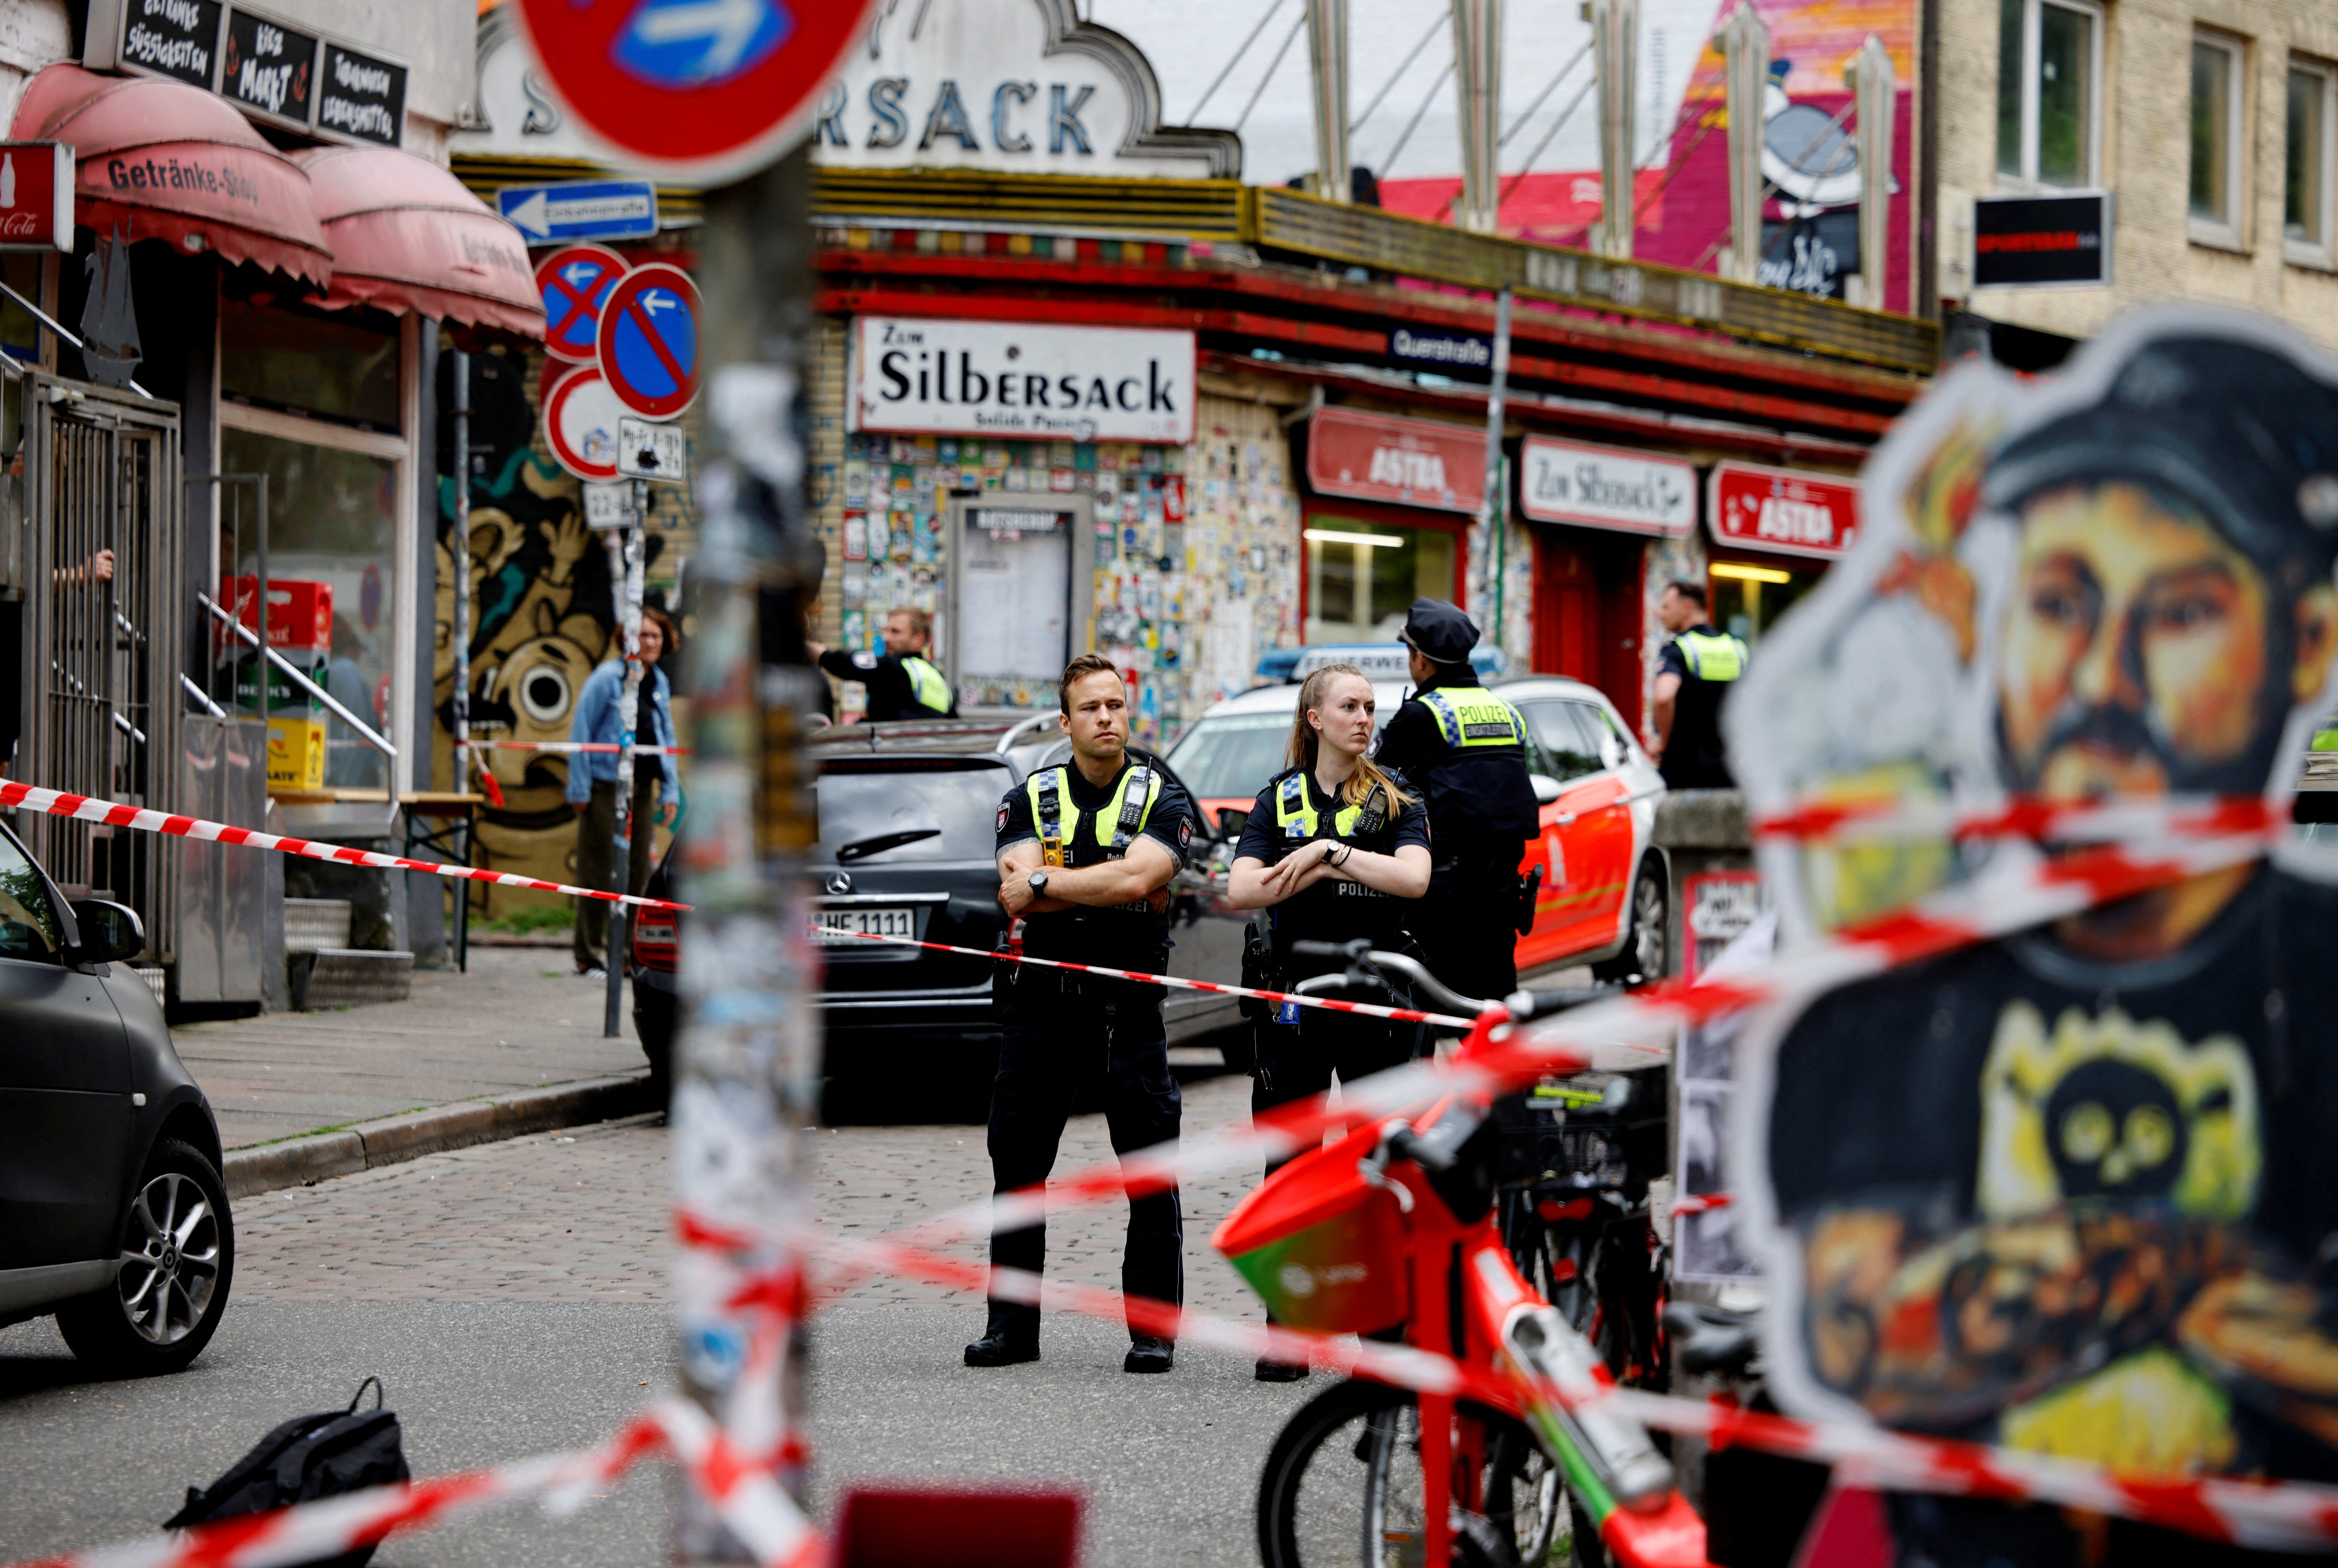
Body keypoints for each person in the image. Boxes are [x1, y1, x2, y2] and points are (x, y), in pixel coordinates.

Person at [1757, 322, 2338, 1564]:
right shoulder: (1896, 1004)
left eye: (2178, 609)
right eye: (2063, 602)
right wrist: (2192, 1276)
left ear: (2309, 640)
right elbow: (1861, 1330)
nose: (2101, 677)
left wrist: (2029, 1274)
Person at [970, 654, 1194, 1375]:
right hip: (1042, 1006)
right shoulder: (1030, 795)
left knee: (1150, 1172)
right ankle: (1011, 1328)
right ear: (1066, 723)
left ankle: (1153, 1332)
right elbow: (1017, 895)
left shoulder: (1162, 792)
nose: (1107, 718)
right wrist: (1096, 885)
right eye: (1091, 708)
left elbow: (1143, 874)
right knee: (1017, 1170)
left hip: (1129, 1009)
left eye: (1116, 705)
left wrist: (1051, 882)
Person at [1226, 662, 1431, 1380]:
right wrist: (1311, 864)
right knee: (1291, 1169)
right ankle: (1289, 1332)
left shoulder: (1398, 799)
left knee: (1379, 1167)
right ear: (1314, 717)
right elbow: (1241, 886)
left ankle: (1384, 1338)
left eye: (1371, 707)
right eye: (1350, 706)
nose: (1364, 718)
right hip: (1292, 1003)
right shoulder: (1277, 799)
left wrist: (1327, 852)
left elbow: (1413, 878)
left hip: (1375, 1006)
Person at [1372, 597, 1540, 1007]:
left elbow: (1375, 791)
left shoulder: (1421, 715)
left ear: (1422, 660)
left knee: (1420, 1017)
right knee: (1492, 1017)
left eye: (1409, 653)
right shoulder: (1507, 712)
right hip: (1499, 895)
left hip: (1438, 899)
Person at [565, 608, 680, 980]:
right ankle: (588, 955)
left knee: (637, 877)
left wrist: (671, 788)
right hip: (604, 786)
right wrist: (580, 787)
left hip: (642, 788)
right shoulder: (607, 678)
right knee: (597, 871)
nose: (649, 643)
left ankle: (631, 957)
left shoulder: (658, 680)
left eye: (655, 637)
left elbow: (666, 738)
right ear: (626, 639)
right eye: (643, 635)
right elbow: (582, 731)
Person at [1650, 580, 1747, 789]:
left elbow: (1663, 697)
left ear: (1686, 608)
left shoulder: (1678, 648)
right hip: (1727, 766)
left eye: (1666, 607)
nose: (1661, 613)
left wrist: (1663, 743)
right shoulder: (1736, 648)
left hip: (1684, 767)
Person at [809, 605, 956, 721]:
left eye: (895, 632)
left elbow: (840, 662)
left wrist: (798, 642)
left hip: (891, 755)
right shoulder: (941, 682)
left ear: (918, 639)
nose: (886, 638)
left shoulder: (895, 668)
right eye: (886, 631)